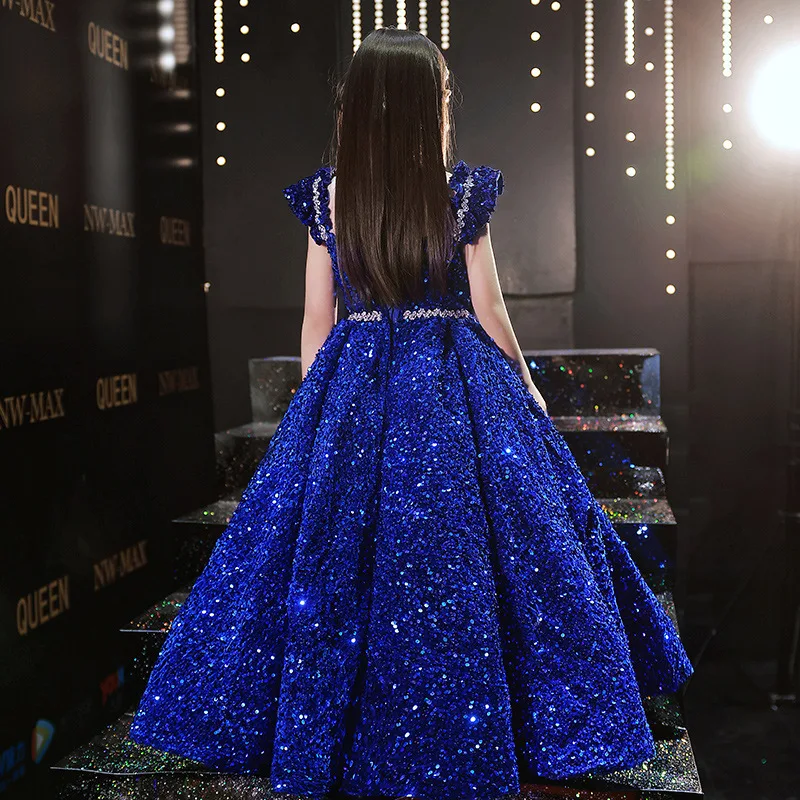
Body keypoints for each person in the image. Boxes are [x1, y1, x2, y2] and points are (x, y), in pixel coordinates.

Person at [128, 26, 693, 800]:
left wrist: (311, 411)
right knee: (490, 550)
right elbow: (489, 308)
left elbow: (315, 322)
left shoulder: (329, 195)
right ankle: (535, 719)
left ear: (356, 109)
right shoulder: (456, 191)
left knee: (335, 559)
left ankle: (328, 728)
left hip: (352, 382)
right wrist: (525, 386)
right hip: (452, 382)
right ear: (429, 106)